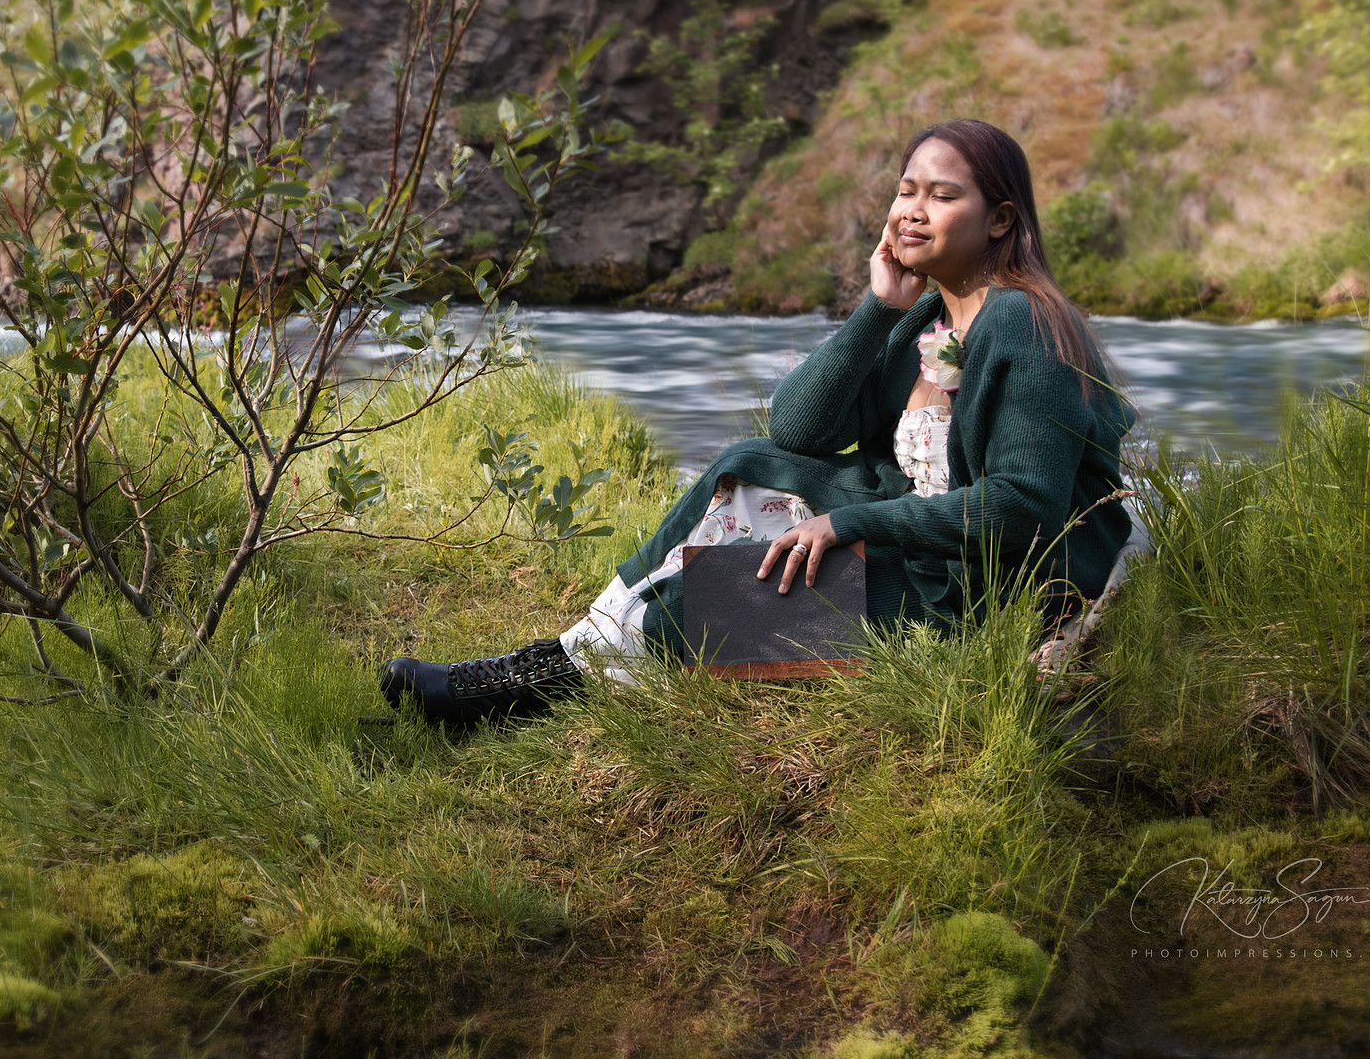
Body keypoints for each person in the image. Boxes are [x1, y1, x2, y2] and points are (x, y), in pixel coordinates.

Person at [382, 118, 1140, 726]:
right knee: (746, 463)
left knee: (709, 600)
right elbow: (798, 430)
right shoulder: (928, 313)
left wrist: (853, 525)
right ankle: (562, 656)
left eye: (941, 196)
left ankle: (527, 686)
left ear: (1000, 217)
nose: (912, 209)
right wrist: (877, 307)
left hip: (990, 596)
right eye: (906, 190)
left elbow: (1023, 506)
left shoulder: (1022, 322)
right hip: (931, 558)